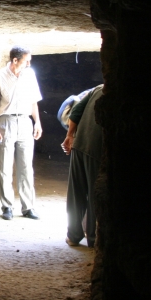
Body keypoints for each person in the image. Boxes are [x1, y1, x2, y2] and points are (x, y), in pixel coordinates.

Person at [0, 46, 43, 220]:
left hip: (25, 121)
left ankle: (28, 207)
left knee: (26, 166)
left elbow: (33, 101)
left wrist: (37, 122)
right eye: (26, 61)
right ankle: (7, 207)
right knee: (4, 166)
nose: (29, 64)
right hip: (6, 122)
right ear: (15, 60)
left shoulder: (30, 74)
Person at [61, 84, 104, 247]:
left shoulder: (97, 89)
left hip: (79, 144)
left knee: (75, 192)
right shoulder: (116, 93)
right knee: (94, 193)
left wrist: (69, 136)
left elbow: (76, 112)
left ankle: (73, 235)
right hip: (96, 149)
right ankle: (93, 238)